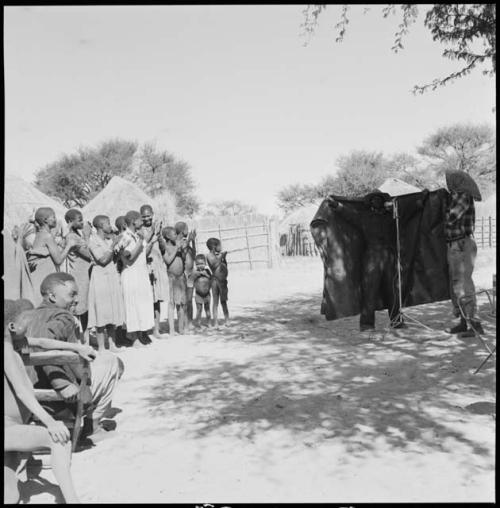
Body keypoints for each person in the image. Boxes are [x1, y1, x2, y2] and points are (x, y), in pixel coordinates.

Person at [23, 272, 124, 441]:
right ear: (52, 296)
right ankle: (92, 426)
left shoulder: (27, 317)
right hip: (58, 400)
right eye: (72, 294)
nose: (76, 299)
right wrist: (61, 383)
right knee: (112, 361)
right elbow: (44, 344)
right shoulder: (62, 317)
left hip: (29, 396)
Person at [4, 299, 85, 504]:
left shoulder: (13, 343)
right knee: (58, 440)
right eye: (27, 322)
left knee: (10, 494)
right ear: (12, 326)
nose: (30, 326)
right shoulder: (5, 351)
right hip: (8, 429)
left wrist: (78, 349)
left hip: (13, 429)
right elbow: (22, 392)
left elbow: (43, 342)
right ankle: (72, 500)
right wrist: (50, 422)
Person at [327, 190, 428, 333]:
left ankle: (396, 321)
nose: (377, 201)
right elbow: (349, 214)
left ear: (383, 201)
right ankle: (367, 324)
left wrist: (420, 200)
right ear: (369, 203)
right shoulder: (364, 217)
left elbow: (407, 212)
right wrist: (336, 205)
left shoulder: (393, 216)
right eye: (374, 199)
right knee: (370, 290)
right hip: (371, 257)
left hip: (390, 256)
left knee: (393, 290)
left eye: (379, 199)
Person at [444, 187, 484, 337]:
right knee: (456, 285)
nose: (448, 183)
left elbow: (452, 217)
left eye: (451, 180)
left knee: (463, 285)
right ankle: (463, 323)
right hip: (456, 244)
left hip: (461, 243)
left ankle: (475, 325)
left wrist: (440, 206)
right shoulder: (456, 196)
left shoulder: (462, 196)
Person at [88, 215, 125, 351]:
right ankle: (102, 347)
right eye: (108, 224)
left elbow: (112, 259)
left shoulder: (108, 241)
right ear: (100, 226)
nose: (110, 226)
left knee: (112, 311)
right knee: (101, 313)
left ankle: (113, 344)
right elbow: (102, 260)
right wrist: (114, 245)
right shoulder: (93, 241)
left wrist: (118, 250)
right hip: (100, 279)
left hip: (110, 276)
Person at [26, 207, 76, 307]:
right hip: (45, 278)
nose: (55, 219)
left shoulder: (39, 235)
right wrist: (69, 246)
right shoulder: (47, 237)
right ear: (45, 220)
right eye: (53, 217)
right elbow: (58, 260)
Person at [119, 210, 155, 346]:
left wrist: (147, 241)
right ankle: (132, 337)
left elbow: (143, 254)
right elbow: (129, 258)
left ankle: (141, 333)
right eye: (140, 219)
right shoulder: (125, 237)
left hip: (141, 272)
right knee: (132, 305)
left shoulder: (137, 235)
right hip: (131, 274)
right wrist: (141, 240)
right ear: (134, 221)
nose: (142, 221)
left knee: (142, 304)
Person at [63, 209, 92, 343]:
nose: (82, 222)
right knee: (77, 310)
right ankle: (77, 339)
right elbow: (89, 254)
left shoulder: (76, 235)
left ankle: (84, 338)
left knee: (85, 309)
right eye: (79, 220)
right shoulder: (72, 237)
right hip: (79, 277)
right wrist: (87, 236)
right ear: (70, 222)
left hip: (84, 275)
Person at [141, 205, 170, 338]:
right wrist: (153, 232)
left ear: (153, 214)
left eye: (148, 215)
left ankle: (156, 329)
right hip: (145, 267)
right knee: (146, 300)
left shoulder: (158, 229)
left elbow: (164, 249)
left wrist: (159, 236)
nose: (147, 218)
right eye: (144, 216)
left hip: (157, 266)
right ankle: (145, 329)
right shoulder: (140, 230)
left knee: (157, 300)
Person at [162, 226, 186, 335]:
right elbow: (167, 260)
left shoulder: (177, 246)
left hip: (180, 278)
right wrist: (177, 249)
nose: (176, 236)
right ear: (167, 236)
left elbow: (183, 259)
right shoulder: (165, 247)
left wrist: (182, 249)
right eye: (174, 234)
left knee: (181, 304)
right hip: (171, 278)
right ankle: (171, 330)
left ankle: (180, 328)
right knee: (171, 303)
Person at [175, 221, 197, 330]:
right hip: (182, 277)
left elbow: (193, 253)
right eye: (187, 228)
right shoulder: (178, 242)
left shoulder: (187, 242)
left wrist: (193, 241)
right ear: (183, 230)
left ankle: (189, 322)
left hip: (190, 276)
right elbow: (183, 250)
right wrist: (189, 240)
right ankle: (182, 323)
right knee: (181, 302)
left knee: (189, 300)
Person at [206, 238, 230, 327]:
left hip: (223, 281)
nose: (221, 247)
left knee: (224, 301)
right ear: (214, 247)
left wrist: (224, 259)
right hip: (215, 281)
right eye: (220, 245)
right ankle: (215, 321)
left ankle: (227, 319)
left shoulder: (219, 255)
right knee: (215, 302)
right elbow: (214, 264)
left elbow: (224, 265)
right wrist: (221, 257)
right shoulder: (209, 256)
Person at [191, 254, 213, 328]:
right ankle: (198, 323)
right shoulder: (194, 272)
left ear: (205, 263)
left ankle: (209, 322)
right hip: (198, 294)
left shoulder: (207, 271)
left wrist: (206, 275)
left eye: (202, 264)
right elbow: (191, 280)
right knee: (199, 310)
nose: (200, 265)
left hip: (207, 294)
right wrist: (196, 275)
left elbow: (212, 279)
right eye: (197, 264)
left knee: (207, 309)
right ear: (195, 264)